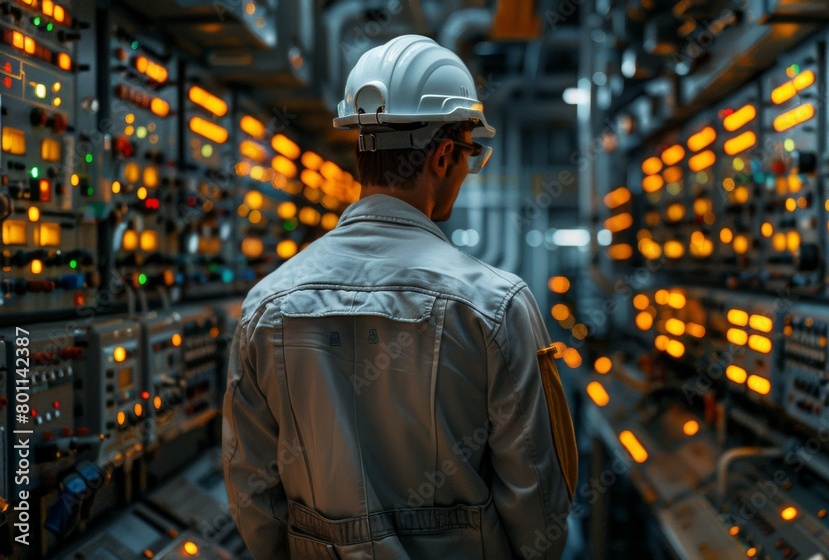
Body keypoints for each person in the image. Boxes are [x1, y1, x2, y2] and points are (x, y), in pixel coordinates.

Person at [222, 35, 577, 559]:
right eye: (468, 154)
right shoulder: (495, 306)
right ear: (440, 156)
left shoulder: (267, 306)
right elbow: (537, 504)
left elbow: (251, 489)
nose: (465, 172)